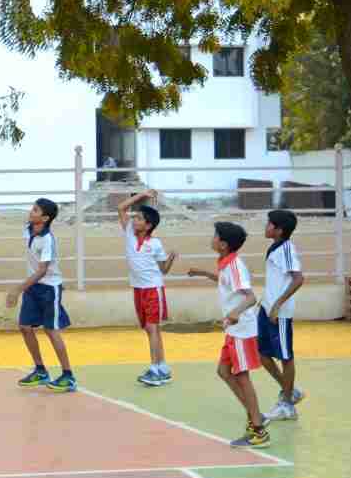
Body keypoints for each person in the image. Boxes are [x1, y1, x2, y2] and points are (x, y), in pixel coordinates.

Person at [188, 222, 271, 448]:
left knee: (242, 377)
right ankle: (256, 416)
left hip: (242, 331)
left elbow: (250, 297)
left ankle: (258, 430)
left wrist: (234, 313)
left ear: (223, 244)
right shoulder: (226, 264)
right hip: (233, 330)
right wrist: (204, 273)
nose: (212, 238)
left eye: (215, 235)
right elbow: (227, 283)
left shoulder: (234, 266)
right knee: (224, 371)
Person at [7, 198, 75, 392]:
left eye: (35, 210)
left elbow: (43, 270)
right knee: (25, 327)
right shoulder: (28, 229)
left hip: (48, 288)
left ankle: (68, 375)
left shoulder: (47, 240)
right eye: (32, 208)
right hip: (33, 286)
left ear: (45, 218)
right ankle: (40, 370)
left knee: (51, 330)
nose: (31, 211)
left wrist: (18, 289)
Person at [118, 189, 177, 386]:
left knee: (152, 328)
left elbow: (164, 270)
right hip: (138, 289)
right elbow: (121, 207)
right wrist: (142, 195)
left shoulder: (156, 244)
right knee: (151, 330)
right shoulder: (129, 233)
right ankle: (162, 367)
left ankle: (154, 369)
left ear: (149, 225)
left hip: (153, 289)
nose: (134, 221)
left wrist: (170, 258)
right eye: (134, 218)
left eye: (139, 219)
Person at [259, 209, 306, 421]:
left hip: (280, 314)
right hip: (266, 309)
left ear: (279, 230)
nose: (266, 226)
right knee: (262, 353)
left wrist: (278, 304)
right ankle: (290, 390)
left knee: (285, 356)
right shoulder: (275, 248)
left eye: (269, 224)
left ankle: (287, 405)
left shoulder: (287, 249)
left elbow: (298, 279)